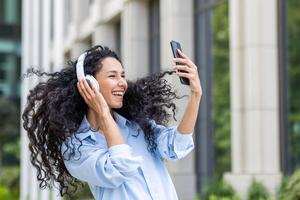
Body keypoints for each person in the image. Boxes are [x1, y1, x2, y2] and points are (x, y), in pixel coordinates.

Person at [22, 45, 202, 200]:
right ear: (89, 84)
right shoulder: (76, 148)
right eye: (112, 76)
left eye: (122, 75)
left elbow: (176, 146)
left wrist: (195, 95)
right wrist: (103, 114)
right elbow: (121, 167)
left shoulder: (137, 127)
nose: (122, 82)